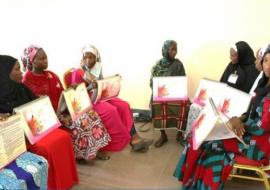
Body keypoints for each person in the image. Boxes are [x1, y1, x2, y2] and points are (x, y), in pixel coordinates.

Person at [174, 48, 270, 189]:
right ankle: (192, 182)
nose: (268, 65)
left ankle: (194, 183)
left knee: (206, 142)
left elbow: (263, 127)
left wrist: (239, 124)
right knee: (198, 133)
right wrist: (238, 119)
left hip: (259, 143)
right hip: (248, 132)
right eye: (266, 61)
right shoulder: (263, 83)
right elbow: (253, 112)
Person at [0, 55, 78, 189]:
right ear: (5, 72)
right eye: (17, 69)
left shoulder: (21, 87)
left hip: (34, 129)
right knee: (46, 148)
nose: (21, 72)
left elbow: (35, 104)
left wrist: (42, 101)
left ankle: (64, 182)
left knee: (63, 136)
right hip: (18, 138)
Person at [21, 45, 111, 162]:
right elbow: (35, 107)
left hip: (61, 110)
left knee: (90, 114)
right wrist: (61, 114)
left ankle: (95, 149)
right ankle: (81, 155)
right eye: (41, 59)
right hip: (45, 118)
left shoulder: (51, 75)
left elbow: (63, 95)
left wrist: (71, 90)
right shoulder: (27, 80)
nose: (45, 61)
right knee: (80, 121)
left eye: (46, 57)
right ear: (31, 61)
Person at [64, 44, 152, 153]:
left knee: (124, 105)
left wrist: (112, 80)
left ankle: (135, 138)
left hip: (98, 96)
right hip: (86, 101)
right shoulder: (79, 71)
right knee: (111, 110)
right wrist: (91, 86)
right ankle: (126, 140)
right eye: (85, 57)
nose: (87, 60)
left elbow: (100, 83)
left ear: (96, 58)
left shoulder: (97, 68)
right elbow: (76, 95)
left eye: (90, 57)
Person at [150, 40, 189, 148]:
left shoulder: (178, 64)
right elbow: (151, 83)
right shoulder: (157, 66)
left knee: (184, 104)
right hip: (162, 95)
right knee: (156, 103)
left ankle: (179, 134)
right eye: (172, 49)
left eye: (176, 49)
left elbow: (182, 80)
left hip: (175, 94)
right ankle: (163, 135)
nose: (174, 52)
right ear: (165, 50)